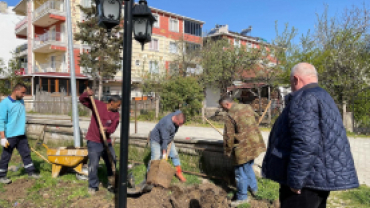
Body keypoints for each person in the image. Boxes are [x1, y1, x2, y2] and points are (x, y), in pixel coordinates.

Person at [262, 63, 359, 208]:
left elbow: (305, 144)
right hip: (316, 178)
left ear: (296, 79)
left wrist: (296, 180)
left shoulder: (304, 98)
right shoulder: (323, 95)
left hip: (305, 183)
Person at [219, 96, 266, 207]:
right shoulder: (247, 107)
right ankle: (254, 190)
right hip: (254, 144)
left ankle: (242, 197)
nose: (223, 110)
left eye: (223, 107)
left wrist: (227, 151)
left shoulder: (230, 115)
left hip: (242, 148)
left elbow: (228, 137)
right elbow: (256, 117)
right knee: (248, 167)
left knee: (240, 174)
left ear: (227, 104)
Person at [79, 89, 121, 194]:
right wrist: (86, 94)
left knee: (112, 162)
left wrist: (107, 130)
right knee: (93, 164)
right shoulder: (98, 105)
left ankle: (112, 184)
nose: (119, 107)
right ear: (112, 103)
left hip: (106, 140)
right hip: (93, 140)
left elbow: (112, 128)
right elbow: (82, 100)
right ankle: (93, 186)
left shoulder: (116, 115)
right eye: (118, 105)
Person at [0, 83, 40, 184]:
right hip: (10, 135)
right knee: (6, 156)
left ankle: (31, 172)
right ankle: (1, 176)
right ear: (16, 91)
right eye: (22, 92)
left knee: (26, 153)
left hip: (21, 134)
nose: (24, 95)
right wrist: (3, 137)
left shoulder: (21, 101)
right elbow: (1, 120)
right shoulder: (5, 103)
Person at [147, 110, 187, 182]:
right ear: (175, 119)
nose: (180, 125)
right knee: (155, 158)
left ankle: (178, 172)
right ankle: (149, 176)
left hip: (168, 139)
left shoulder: (178, 114)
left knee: (175, 155)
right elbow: (164, 140)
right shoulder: (166, 124)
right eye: (180, 123)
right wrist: (164, 154)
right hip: (156, 140)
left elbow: (179, 111)